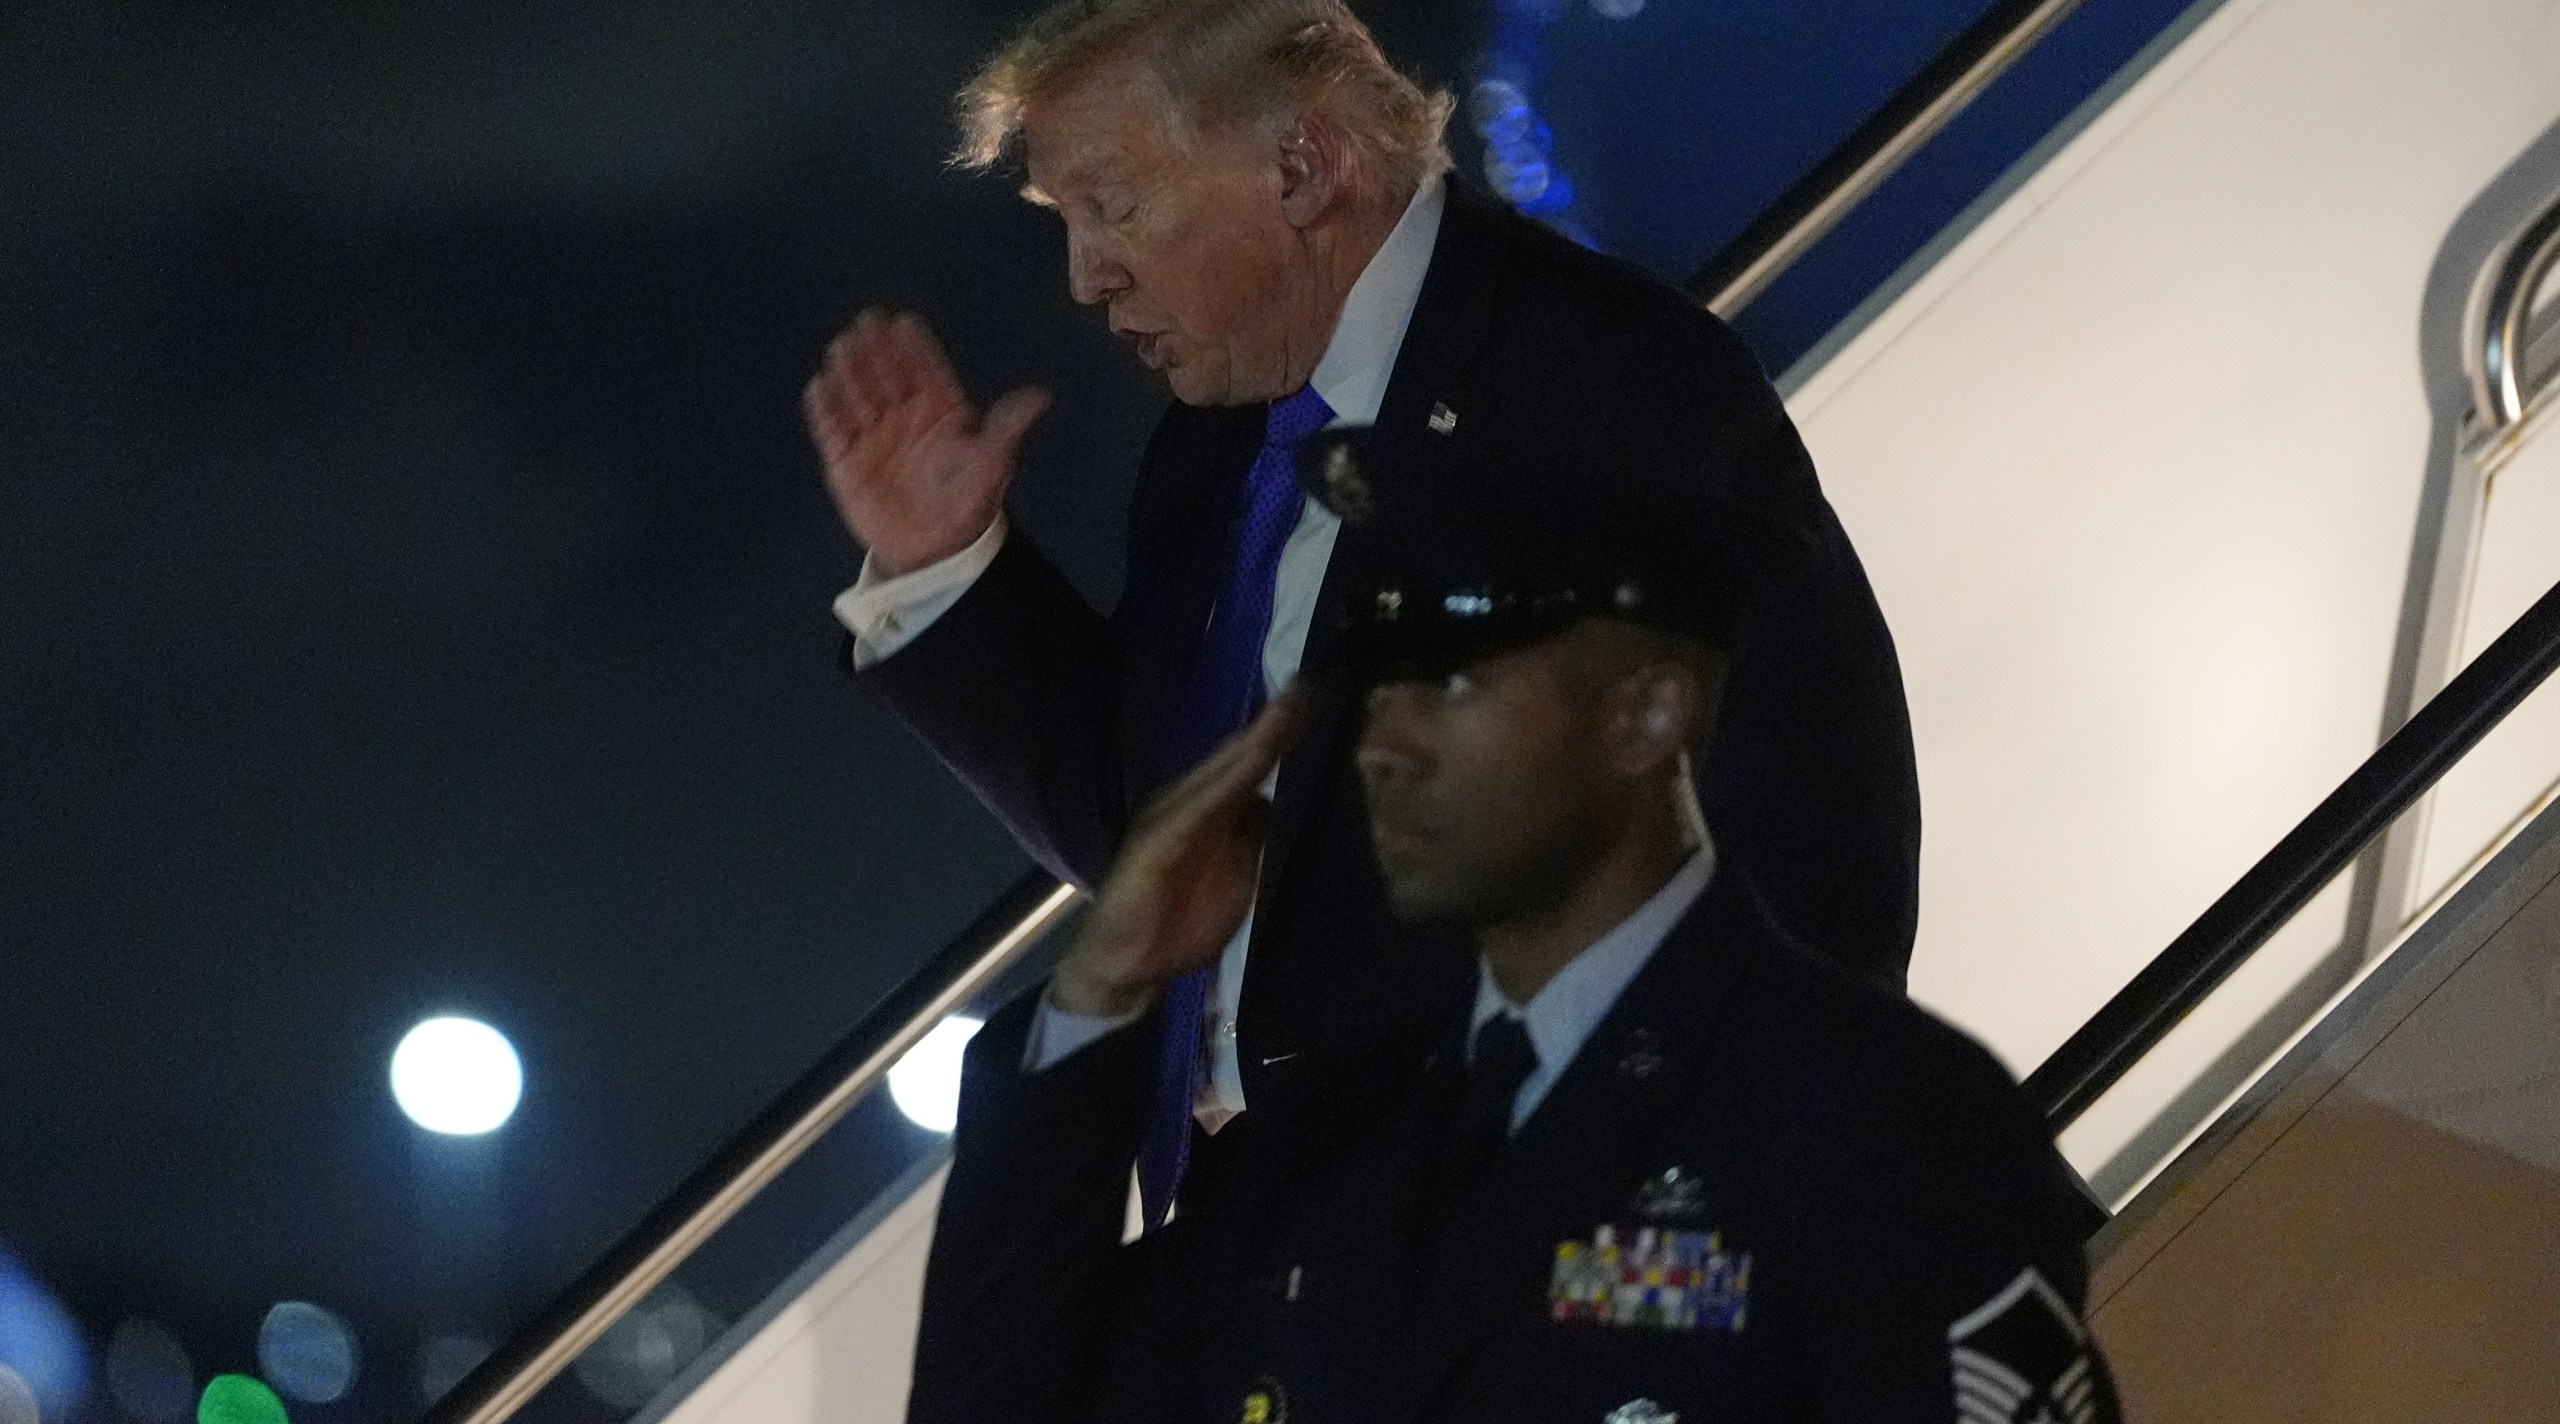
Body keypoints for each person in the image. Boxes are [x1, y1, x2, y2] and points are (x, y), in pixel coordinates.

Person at [806, 0, 1917, 1243]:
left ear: (1302, 166)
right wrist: (943, 568)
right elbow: (1170, 842)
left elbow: (1812, 844)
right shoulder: (1210, 453)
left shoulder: (1603, 383)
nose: (1085, 276)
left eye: (1111, 208)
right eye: (1062, 222)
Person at [912, 426, 2120, 1424]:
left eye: (1453, 684)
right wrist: (1102, 996)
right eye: (1380, 687)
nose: (1385, 746)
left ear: (1645, 716)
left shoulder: (1877, 1124)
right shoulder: (1332, 1143)